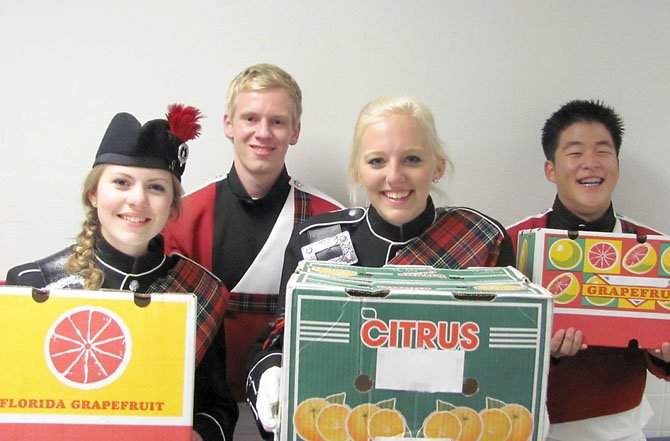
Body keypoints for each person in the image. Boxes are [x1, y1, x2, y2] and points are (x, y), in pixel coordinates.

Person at [247, 95, 515, 439]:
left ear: (438, 167)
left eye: (412, 159)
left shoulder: (482, 239)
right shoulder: (315, 240)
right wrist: (271, 373)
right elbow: (276, 341)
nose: (394, 176)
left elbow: (503, 355)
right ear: (358, 170)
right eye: (376, 161)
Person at [5, 104, 238, 441]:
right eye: (121, 182)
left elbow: (217, 410)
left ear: (172, 206)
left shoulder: (201, 292)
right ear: (94, 194)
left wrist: (198, 436)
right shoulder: (31, 285)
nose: (138, 199)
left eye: (156, 187)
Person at [161, 63, 342, 404]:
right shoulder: (181, 217)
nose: (263, 132)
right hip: (202, 407)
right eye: (250, 119)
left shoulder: (330, 221)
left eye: (277, 121)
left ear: (295, 131)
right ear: (228, 125)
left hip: (298, 404)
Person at [506, 99, 670, 441]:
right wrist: (544, 353)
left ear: (618, 164)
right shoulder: (513, 243)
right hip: (527, 426)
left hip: (621, 427)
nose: (591, 163)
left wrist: (665, 353)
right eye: (575, 152)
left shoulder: (655, 249)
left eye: (602, 151)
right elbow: (492, 351)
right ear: (551, 169)